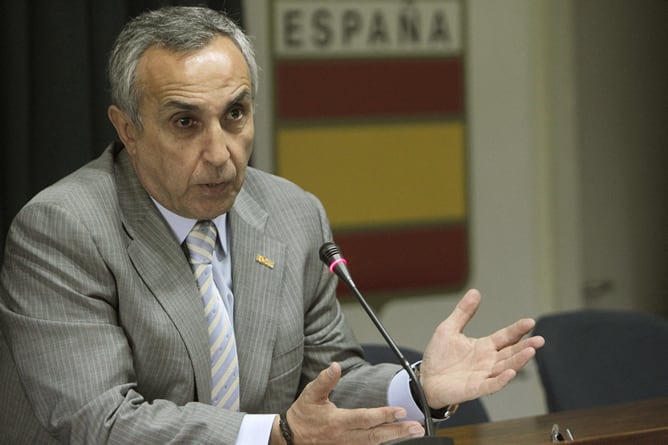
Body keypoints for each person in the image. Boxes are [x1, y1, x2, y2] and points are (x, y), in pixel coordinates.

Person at [0, 6, 544, 445]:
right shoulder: (62, 229)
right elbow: (102, 423)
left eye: (235, 114)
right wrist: (277, 435)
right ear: (129, 129)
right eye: (185, 122)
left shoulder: (291, 213)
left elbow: (327, 384)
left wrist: (418, 386)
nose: (220, 153)